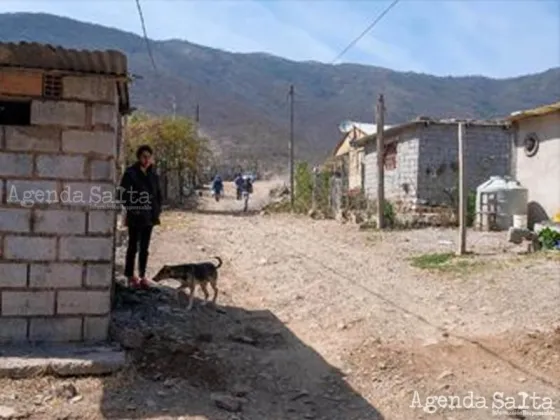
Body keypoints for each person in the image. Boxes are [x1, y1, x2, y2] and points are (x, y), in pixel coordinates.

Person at [119, 145, 162, 289]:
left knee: (145, 247)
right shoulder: (130, 173)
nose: (146, 159)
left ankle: (143, 276)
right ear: (139, 157)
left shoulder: (153, 175)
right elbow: (123, 195)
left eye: (149, 157)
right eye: (144, 156)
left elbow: (158, 195)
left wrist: (157, 210)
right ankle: (130, 276)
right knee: (133, 247)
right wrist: (134, 209)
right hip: (136, 216)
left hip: (149, 216)